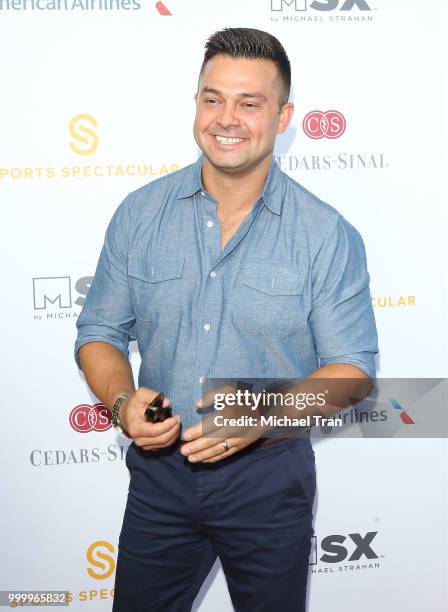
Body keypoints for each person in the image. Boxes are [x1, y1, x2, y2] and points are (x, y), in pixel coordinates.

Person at [74, 27, 378, 612]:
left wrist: (261, 416)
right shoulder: (140, 214)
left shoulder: (325, 234)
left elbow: (353, 370)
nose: (227, 118)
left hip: (268, 478)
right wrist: (121, 402)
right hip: (159, 474)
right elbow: (99, 334)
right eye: (213, 98)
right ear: (196, 104)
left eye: (250, 102)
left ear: (284, 116)